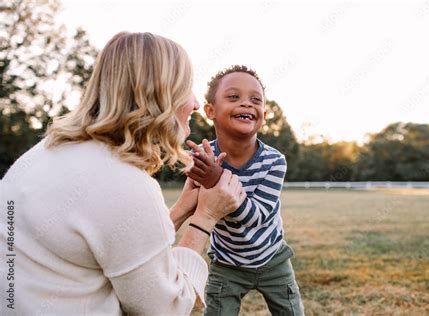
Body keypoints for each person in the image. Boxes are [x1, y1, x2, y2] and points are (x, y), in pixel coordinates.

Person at [0, 32, 246, 315]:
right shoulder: (123, 182)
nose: (194, 103)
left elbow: (114, 242)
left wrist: (179, 211)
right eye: (186, 88)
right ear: (159, 93)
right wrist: (206, 217)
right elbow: (166, 307)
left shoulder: (43, 154)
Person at [186, 65, 305, 315]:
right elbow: (194, 201)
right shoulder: (203, 157)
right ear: (210, 110)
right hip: (226, 263)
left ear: (263, 113)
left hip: (273, 258)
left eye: (255, 100)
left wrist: (216, 177)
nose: (246, 104)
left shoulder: (274, 161)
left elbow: (256, 217)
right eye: (233, 97)